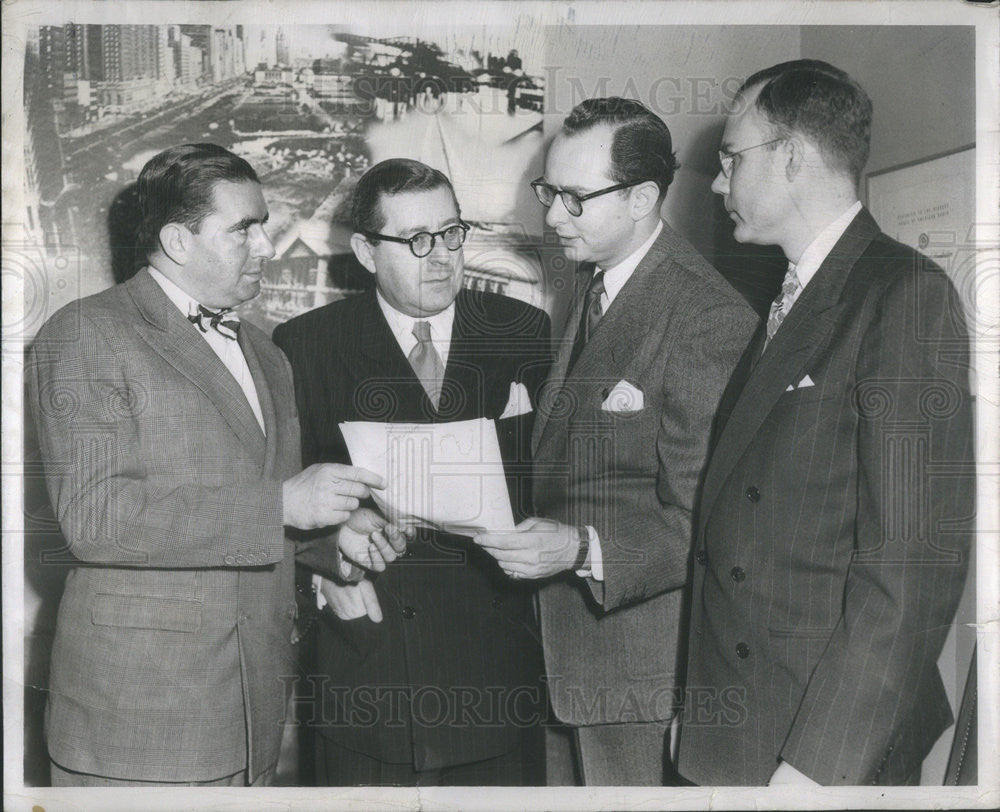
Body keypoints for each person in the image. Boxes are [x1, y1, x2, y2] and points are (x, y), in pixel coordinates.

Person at [26, 143, 404, 786]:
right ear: (177, 240)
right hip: (138, 726)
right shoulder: (86, 331)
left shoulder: (264, 352)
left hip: (252, 711)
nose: (266, 247)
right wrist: (284, 506)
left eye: (264, 226)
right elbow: (97, 517)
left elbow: (255, 501)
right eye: (244, 230)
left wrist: (326, 537)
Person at [678, 60, 974, 786]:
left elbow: (911, 568)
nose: (718, 184)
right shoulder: (790, 296)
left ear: (791, 156)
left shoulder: (903, 294)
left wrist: (818, 767)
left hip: (819, 743)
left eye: (730, 159)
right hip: (742, 721)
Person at [474, 98, 759, 785]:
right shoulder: (593, 285)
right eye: (549, 192)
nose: (551, 217)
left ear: (641, 198)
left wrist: (579, 547)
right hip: (565, 659)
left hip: (640, 672)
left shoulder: (706, 316)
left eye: (574, 198)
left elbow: (708, 522)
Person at [273, 158, 552, 786]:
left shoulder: (524, 331)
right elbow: (278, 497)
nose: (442, 257)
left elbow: (557, 483)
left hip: (493, 680)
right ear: (367, 252)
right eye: (417, 240)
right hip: (366, 674)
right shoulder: (304, 345)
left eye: (452, 233)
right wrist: (325, 557)